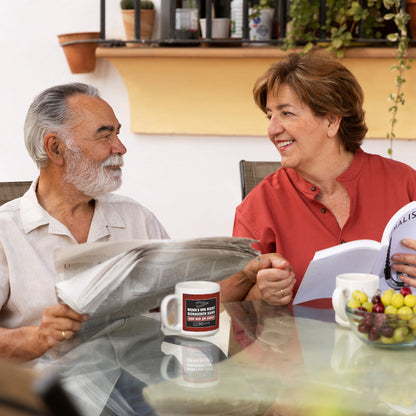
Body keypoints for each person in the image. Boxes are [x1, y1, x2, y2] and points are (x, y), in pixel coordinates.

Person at [0, 83, 285, 362]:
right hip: (43, 397)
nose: (121, 147)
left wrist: (247, 273)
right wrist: (38, 337)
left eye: (118, 134)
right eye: (105, 136)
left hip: (139, 385)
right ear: (56, 148)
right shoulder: (6, 231)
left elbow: (188, 304)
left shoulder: (134, 217)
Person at [233, 51, 416, 306]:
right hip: (300, 346)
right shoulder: (257, 207)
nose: (272, 130)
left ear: (331, 120)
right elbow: (231, 314)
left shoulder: (406, 186)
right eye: (270, 116)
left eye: (286, 113)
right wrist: (259, 296)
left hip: (392, 343)